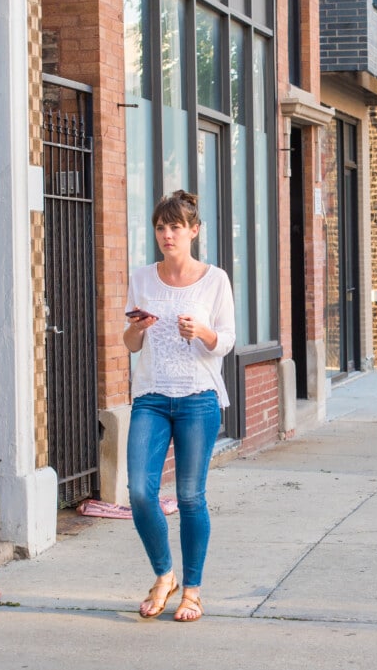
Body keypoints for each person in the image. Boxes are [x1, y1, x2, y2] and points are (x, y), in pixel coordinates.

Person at [123, 190, 235, 623]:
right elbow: (130, 343)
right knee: (139, 492)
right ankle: (163, 574)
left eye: (175, 227)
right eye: (160, 227)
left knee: (190, 496)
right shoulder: (142, 277)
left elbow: (225, 341)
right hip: (151, 396)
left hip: (197, 398)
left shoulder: (215, 279)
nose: (167, 235)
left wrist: (202, 332)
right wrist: (139, 328)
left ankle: (193, 591)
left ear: (194, 231)